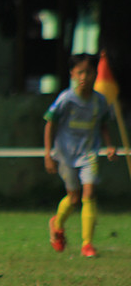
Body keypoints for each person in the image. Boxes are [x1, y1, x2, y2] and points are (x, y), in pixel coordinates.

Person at [44, 53, 117, 258]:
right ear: (73, 75)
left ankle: (87, 244)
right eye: (80, 72)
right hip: (66, 154)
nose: (84, 76)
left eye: (88, 72)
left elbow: (103, 124)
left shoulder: (99, 101)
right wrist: (48, 154)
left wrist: (110, 146)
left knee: (89, 194)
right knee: (74, 198)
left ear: (95, 74)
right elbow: (50, 123)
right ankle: (57, 224)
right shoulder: (66, 99)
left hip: (89, 153)